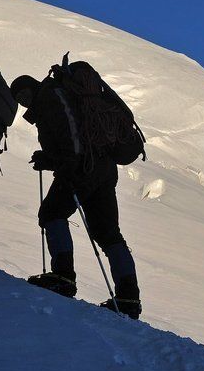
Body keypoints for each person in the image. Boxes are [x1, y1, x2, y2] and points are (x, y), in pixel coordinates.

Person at [10, 72, 142, 318]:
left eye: (24, 94)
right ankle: (129, 297)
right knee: (108, 233)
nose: (24, 101)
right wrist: (50, 160)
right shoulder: (58, 96)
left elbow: (70, 135)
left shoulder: (50, 96)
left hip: (83, 169)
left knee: (51, 213)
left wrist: (65, 164)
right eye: (19, 99)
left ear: (33, 87)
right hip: (102, 168)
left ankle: (63, 276)